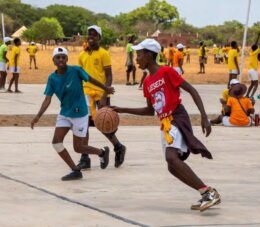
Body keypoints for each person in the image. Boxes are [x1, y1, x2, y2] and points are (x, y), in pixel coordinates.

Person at [113, 38, 221, 212]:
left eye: (139, 55)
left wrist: (203, 116)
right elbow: (150, 111)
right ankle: (204, 194)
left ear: (149, 55)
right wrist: (121, 109)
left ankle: (208, 192)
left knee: (171, 158)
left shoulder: (167, 71)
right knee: (172, 166)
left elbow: (192, 90)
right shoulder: (147, 82)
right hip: (165, 123)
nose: (137, 59)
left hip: (177, 116)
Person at [31, 47, 114, 181]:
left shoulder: (75, 70)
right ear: (53, 61)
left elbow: (91, 79)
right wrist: (37, 116)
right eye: (58, 57)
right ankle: (75, 170)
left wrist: (106, 88)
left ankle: (102, 152)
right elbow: (47, 99)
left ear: (67, 59)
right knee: (56, 143)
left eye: (63, 57)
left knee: (78, 147)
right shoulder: (52, 78)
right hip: (65, 113)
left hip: (80, 113)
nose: (61, 59)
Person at [77, 25, 126, 170]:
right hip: (85, 94)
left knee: (104, 123)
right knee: (83, 125)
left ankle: (118, 147)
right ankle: (85, 158)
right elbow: (81, 76)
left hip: (100, 94)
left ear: (99, 37)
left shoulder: (103, 53)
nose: (91, 36)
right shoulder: (82, 55)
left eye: (94, 34)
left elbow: (109, 75)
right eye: (89, 34)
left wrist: (105, 95)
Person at [245, 32, 260, 98]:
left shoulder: (251, 52)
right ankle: (251, 96)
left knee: (252, 84)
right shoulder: (256, 52)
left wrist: (258, 36)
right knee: (256, 85)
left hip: (249, 70)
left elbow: (255, 45)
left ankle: (247, 95)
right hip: (253, 70)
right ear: (256, 49)